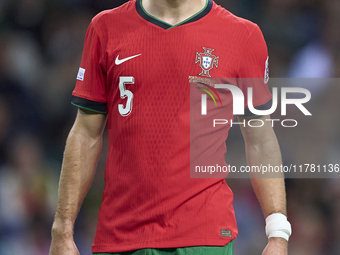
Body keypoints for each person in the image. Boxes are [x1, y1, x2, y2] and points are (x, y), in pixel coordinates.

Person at [50, 0, 291, 254]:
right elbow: (86, 133)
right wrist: (62, 229)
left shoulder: (243, 35)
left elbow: (259, 138)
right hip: (121, 234)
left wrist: (277, 231)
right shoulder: (105, 27)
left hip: (204, 236)